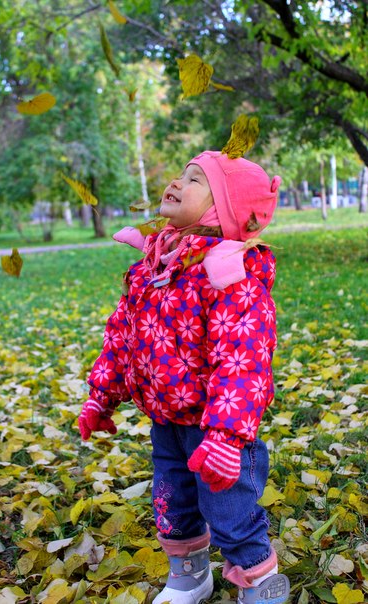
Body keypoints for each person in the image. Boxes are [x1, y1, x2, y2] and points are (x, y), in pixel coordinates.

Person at [78, 120, 290, 604]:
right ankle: (190, 575)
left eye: (195, 179)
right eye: (181, 173)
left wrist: (228, 435)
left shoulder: (228, 275)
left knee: (230, 511)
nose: (176, 182)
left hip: (219, 433)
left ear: (222, 211)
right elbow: (122, 336)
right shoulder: (153, 267)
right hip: (167, 422)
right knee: (173, 502)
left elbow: (244, 359)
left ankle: (262, 584)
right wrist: (101, 397)